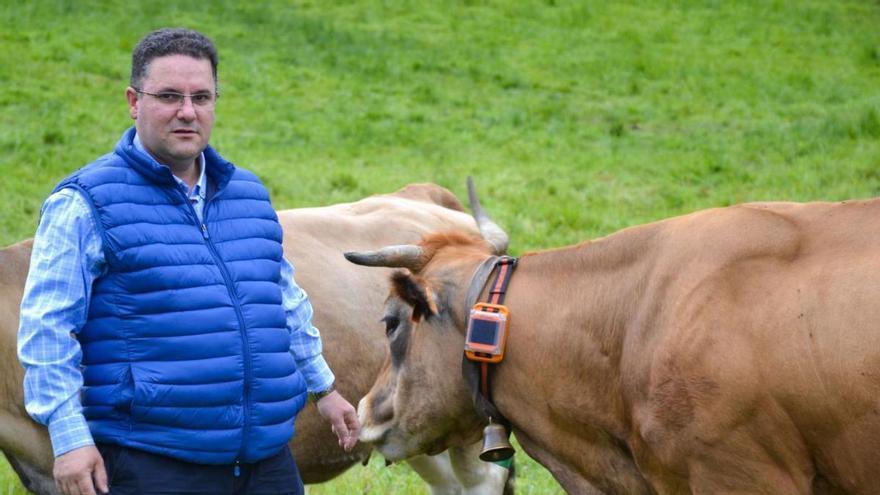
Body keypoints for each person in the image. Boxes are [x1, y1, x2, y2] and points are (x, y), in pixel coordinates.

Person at [17, 28, 360, 495]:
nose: (187, 111)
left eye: (202, 96)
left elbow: (284, 304)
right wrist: (69, 439)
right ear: (134, 101)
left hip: (266, 459)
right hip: (155, 460)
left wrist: (325, 389)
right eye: (169, 96)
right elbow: (46, 329)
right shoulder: (85, 202)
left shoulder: (248, 195)